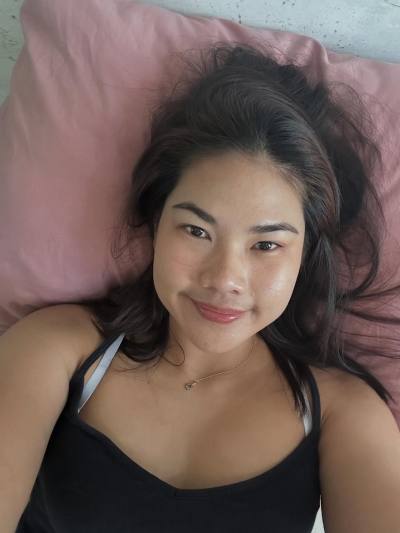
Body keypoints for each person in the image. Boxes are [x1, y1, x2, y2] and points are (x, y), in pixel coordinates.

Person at [2, 42, 400, 533]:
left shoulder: (345, 414)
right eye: (196, 231)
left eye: (267, 245)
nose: (225, 279)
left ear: (305, 255)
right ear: (156, 224)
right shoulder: (57, 348)